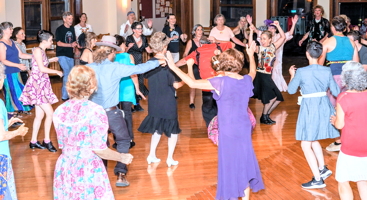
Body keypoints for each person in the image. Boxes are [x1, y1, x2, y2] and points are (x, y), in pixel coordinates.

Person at [167, 42, 264, 200]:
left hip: (228, 130)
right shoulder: (246, 80)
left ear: (224, 64)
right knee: (244, 162)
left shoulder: (220, 82)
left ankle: (231, 194)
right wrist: (251, 54)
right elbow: (253, 71)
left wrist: (173, 66)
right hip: (244, 128)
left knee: (230, 164)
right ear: (240, 65)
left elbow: (192, 83)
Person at [87, 35, 165, 187]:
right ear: (111, 52)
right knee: (123, 140)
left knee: (99, 144)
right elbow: (139, 69)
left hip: (93, 114)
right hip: (111, 113)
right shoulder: (115, 67)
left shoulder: (89, 68)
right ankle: (121, 174)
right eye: (114, 53)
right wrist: (157, 61)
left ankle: (100, 175)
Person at [53, 65, 134, 200]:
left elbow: (62, 144)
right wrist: (122, 158)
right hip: (87, 167)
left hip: (65, 167)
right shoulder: (95, 110)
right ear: (92, 86)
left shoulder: (59, 111)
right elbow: (99, 149)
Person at [288, 41, 340, 189]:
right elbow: (336, 92)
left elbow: (291, 90)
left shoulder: (301, 72)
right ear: (321, 54)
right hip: (324, 105)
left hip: (310, 108)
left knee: (306, 143)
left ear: (307, 54)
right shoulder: (327, 71)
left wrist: (292, 75)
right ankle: (322, 168)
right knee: (314, 138)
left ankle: (317, 179)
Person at [138, 32, 184, 168]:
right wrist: (186, 80)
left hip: (154, 101)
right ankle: (169, 158)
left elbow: (147, 76)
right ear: (164, 48)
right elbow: (176, 84)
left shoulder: (150, 63)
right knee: (173, 131)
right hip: (167, 101)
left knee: (157, 129)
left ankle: (151, 155)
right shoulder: (167, 66)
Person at [318, 16, 359, 152]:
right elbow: (356, 64)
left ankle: (338, 141)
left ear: (333, 28)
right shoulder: (351, 42)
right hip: (349, 78)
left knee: (333, 108)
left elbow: (319, 65)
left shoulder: (328, 42)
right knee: (348, 109)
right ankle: (348, 138)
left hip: (333, 78)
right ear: (345, 28)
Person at [19, 30, 63, 152]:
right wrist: (56, 71)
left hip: (41, 84)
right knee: (50, 114)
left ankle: (33, 141)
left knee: (40, 115)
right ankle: (47, 141)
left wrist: (51, 60)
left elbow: (40, 64)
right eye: (50, 40)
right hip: (37, 86)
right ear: (44, 41)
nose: (51, 43)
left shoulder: (41, 51)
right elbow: (42, 68)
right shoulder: (38, 50)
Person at [176, 39, 234, 127]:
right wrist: (218, 42)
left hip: (207, 85)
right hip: (221, 84)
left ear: (201, 44)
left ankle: (211, 127)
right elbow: (233, 45)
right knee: (221, 106)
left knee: (207, 107)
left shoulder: (198, 51)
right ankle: (223, 125)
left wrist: (173, 65)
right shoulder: (219, 46)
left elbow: (184, 61)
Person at [330, 61, 367, 200]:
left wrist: (334, 120)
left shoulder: (343, 97)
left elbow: (340, 125)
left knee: (343, 180)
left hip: (351, 146)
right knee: (363, 180)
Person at [0, 62, 29, 200]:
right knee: (6, 194)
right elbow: (1, 136)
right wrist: (18, 132)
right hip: (1, 158)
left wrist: (8, 122)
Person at [248, 21, 285, 124]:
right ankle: (263, 117)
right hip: (261, 75)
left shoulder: (273, 47)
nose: (262, 40)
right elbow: (251, 45)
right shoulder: (260, 49)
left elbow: (282, 37)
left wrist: (278, 25)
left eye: (264, 39)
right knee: (272, 97)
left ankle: (266, 115)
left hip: (268, 76)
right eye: (261, 38)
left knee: (278, 98)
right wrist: (251, 32)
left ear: (270, 39)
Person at [114, 34, 144, 148]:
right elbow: (133, 73)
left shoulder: (111, 57)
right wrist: (137, 89)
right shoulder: (129, 56)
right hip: (127, 88)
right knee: (127, 114)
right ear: (121, 45)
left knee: (116, 115)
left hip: (115, 88)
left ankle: (118, 140)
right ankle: (129, 139)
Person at [256, 16, 298, 92]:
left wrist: (294, 23)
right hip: (266, 61)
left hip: (277, 59)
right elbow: (257, 32)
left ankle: (275, 89)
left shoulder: (279, 36)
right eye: (269, 28)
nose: (271, 30)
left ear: (275, 30)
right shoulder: (264, 38)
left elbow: (289, 34)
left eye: (272, 28)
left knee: (276, 73)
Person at [0, 22, 32, 117]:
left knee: (18, 91)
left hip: (15, 72)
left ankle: (18, 110)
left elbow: (21, 55)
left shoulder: (12, 42)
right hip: (7, 72)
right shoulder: (1, 44)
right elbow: (3, 60)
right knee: (9, 92)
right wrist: (18, 65)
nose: (12, 31)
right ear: (4, 31)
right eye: (10, 29)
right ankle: (10, 114)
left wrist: (35, 55)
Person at [126, 22, 153, 112]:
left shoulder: (144, 38)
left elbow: (149, 51)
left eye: (141, 28)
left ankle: (137, 105)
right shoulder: (129, 38)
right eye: (138, 28)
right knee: (131, 85)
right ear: (133, 30)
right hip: (130, 62)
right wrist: (128, 47)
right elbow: (124, 51)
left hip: (139, 62)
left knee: (140, 83)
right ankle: (129, 106)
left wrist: (158, 48)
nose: (141, 30)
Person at [55, 11, 77, 101]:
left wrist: (76, 48)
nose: (71, 20)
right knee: (67, 72)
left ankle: (70, 94)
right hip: (61, 54)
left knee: (71, 74)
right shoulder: (59, 29)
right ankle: (64, 96)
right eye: (69, 19)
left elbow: (74, 41)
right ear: (64, 19)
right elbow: (59, 43)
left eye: (72, 18)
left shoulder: (72, 29)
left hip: (70, 54)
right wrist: (70, 45)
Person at [182, 24, 204, 109]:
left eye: (201, 29)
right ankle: (191, 102)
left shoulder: (205, 40)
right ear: (195, 32)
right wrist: (186, 60)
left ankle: (205, 100)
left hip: (203, 64)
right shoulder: (191, 41)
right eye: (198, 29)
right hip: (194, 64)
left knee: (204, 82)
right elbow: (185, 53)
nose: (200, 31)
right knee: (193, 83)